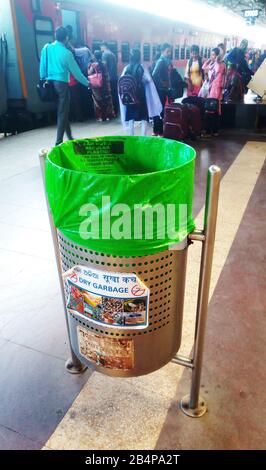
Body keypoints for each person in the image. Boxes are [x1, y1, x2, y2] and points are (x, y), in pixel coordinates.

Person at [39, 26, 89, 146]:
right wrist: (88, 83)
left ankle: (70, 137)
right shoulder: (67, 54)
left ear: (55, 36)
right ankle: (58, 143)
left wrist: (43, 80)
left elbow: (42, 67)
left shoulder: (46, 48)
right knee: (62, 113)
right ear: (66, 38)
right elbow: (76, 73)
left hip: (49, 84)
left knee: (63, 111)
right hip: (61, 85)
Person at [119, 48, 162, 136]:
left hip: (129, 96)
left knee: (130, 116)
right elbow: (149, 79)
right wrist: (142, 81)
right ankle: (143, 136)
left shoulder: (126, 67)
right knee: (144, 117)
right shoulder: (141, 67)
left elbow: (121, 80)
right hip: (140, 95)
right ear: (139, 57)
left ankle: (131, 135)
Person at [201, 47, 226, 136]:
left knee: (212, 109)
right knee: (211, 109)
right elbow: (203, 67)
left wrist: (216, 60)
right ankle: (211, 130)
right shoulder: (212, 63)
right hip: (211, 88)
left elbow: (218, 69)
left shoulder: (221, 64)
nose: (211, 56)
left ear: (218, 56)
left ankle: (212, 131)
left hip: (216, 88)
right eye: (211, 54)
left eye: (213, 55)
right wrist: (209, 60)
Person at [88, 50, 115, 122]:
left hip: (96, 86)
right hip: (104, 85)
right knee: (106, 100)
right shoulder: (104, 63)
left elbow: (89, 73)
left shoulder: (93, 65)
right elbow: (106, 73)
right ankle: (108, 116)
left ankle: (100, 117)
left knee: (97, 101)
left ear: (94, 56)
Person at [152, 43, 173, 135]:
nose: (169, 53)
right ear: (162, 51)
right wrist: (162, 84)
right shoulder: (161, 61)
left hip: (162, 89)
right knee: (160, 110)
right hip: (160, 90)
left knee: (159, 109)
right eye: (167, 51)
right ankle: (159, 131)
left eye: (170, 51)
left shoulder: (166, 61)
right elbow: (154, 74)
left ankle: (157, 130)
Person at [101, 42, 119, 115]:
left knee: (109, 96)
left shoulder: (105, 54)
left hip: (109, 78)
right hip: (114, 77)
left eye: (101, 47)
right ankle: (116, 110)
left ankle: (111, 112)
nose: (100, 49)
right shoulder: (113, 54)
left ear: (104, 46)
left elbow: (104, 66)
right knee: (114, 94)